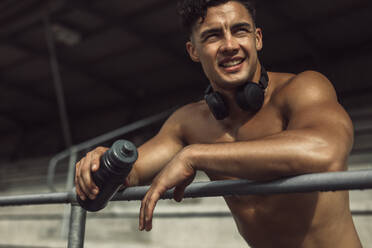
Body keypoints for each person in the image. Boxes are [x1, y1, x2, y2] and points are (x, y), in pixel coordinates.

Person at [75, 0, 362, 247]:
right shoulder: (189, 122)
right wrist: (101, 162)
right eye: (213, 36)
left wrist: (195, 155)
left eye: (240, 30)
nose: (229, 45)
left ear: (257, 39)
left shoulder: (303, 88)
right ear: (193, 51)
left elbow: (325, 151)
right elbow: (133, 171)